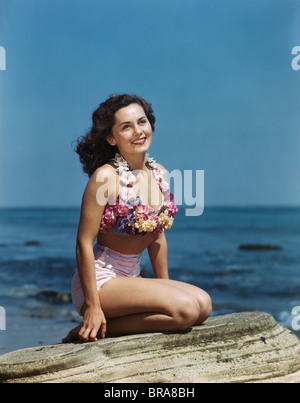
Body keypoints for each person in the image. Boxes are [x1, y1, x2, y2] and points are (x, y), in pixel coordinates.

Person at [63, 94, 212, 343]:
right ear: (111, 138)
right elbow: (83, 244)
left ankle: (111, 322)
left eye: (142, 122)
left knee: (203, 306)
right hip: (101, 281)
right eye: (126, 126)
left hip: (131, 278)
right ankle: (95, 326)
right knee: (185, 310)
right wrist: (92, 306)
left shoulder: (159, 173)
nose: (138, 131)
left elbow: (157, 237)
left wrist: (165, 286)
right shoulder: (105, 177)